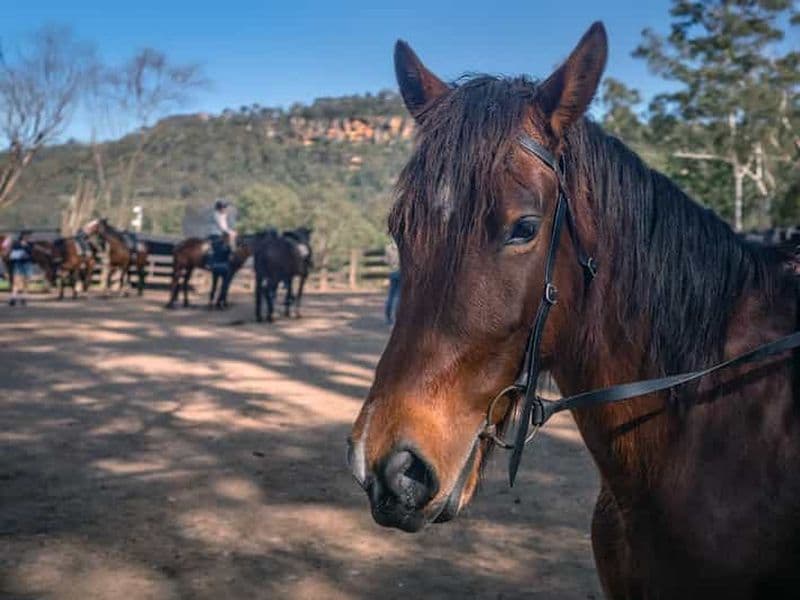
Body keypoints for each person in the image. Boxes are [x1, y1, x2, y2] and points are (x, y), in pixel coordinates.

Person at [7, 230, 34, 307]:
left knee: (26, 282)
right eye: (26, 235)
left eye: (28, 236)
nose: (27, 237)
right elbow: (13, 251)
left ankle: (24, 298)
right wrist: (21, 246)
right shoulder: (16, 243)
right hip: (18, 264)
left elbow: (31, 253)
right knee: (17, 281)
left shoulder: (30, 244)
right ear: (22, 236)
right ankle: (13, 298)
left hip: (27, 264)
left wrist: (26, 247)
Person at [384, 240, 400, 324]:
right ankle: (398, 318)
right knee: (399, 296)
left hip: (392, 272)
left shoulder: (388, 248)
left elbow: (386, 261)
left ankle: (388, 317)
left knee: (391, 295)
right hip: (401, 272)